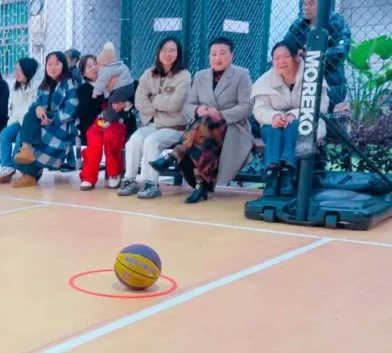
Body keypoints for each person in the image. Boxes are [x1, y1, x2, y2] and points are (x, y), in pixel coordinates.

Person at [149, 37, 253, 204]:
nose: (217, 57)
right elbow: (188, 106)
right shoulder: (200, 76)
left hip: (231, 126)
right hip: (203, 129)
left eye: (222, 53)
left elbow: (247, 106)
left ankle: (176, 155)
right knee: (204, 124)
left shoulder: (241, 75)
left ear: (232, 55)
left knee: (203, 126)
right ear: (209, 56)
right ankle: (201, 184)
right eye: (214, 54)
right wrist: (198, 110)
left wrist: (221, 114)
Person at [252, 40, 329, 196]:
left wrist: (293, 114)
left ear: (297, 57)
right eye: (276, 58)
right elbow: (259, 109)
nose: (280, 61)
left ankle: (288, 171)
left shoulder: (312, 76)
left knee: (294, 125)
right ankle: (271, 173)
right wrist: (274, 117)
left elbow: (320, 107)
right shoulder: (266, 79)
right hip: (275, 125)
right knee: (273, 129)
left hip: (306, 122)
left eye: (286, 56)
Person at [119, 37, 191, 199]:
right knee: (134, 141)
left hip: (174, 127)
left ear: (178, 54)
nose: (168, 54)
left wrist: (154, 98)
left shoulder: (184, 76)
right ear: (158, 52)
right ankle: (129, 180)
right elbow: (139, 101)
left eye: (172, 51)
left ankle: (151, 184)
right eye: (164, 50)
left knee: (152, 142)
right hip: (151, 124)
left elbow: (175, 104)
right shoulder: (149, 73)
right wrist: (161, 105)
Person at [10, 51, 79, 188]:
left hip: (62, 126)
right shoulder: (45, 84)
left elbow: (71, 111)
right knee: (30, 116)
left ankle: (30, 172)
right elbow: (35, 103)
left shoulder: (70, 83)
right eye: (49, 64)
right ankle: (27, 158)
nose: (53, 67)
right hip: (44, 122)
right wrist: (37, 108)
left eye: (57, 64)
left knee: (30, 133)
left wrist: (51, 119)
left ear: (64, 65)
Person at [80, 42, 136, 190]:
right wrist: (105, 88)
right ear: (83, 73)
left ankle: (114, 173)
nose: (94, 68)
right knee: (95, 144)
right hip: (95, 124)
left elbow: (134, 93)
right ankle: (88, 177)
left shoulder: (119, 77)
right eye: (89, 66)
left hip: (117, 121)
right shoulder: (83, 90)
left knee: (111, 138)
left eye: (95, 64)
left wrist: (125, 103)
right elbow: (88, 110)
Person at [284, 0, 351, 110]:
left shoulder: (336, 22)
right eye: (305, 4)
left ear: (323, 5)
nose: (306, 7)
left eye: (311, 3)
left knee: (323, 113)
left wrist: (310, 56)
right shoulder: (298, 25)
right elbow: (285, 49)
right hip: (301, 81)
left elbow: (340, 52)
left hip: (330, 82)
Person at [0, 57, 38, 184]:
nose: (16, 73)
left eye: (19, 70)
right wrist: (11, 123)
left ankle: (15, 164)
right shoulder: (15, 88)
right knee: (5, 133)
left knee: (20, 136)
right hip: (17, 121)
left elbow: (30, 110)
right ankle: (6, 167)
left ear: (27, 70)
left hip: (30, 123)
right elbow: (15, 109)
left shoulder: (36, 87)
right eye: (16, 70)